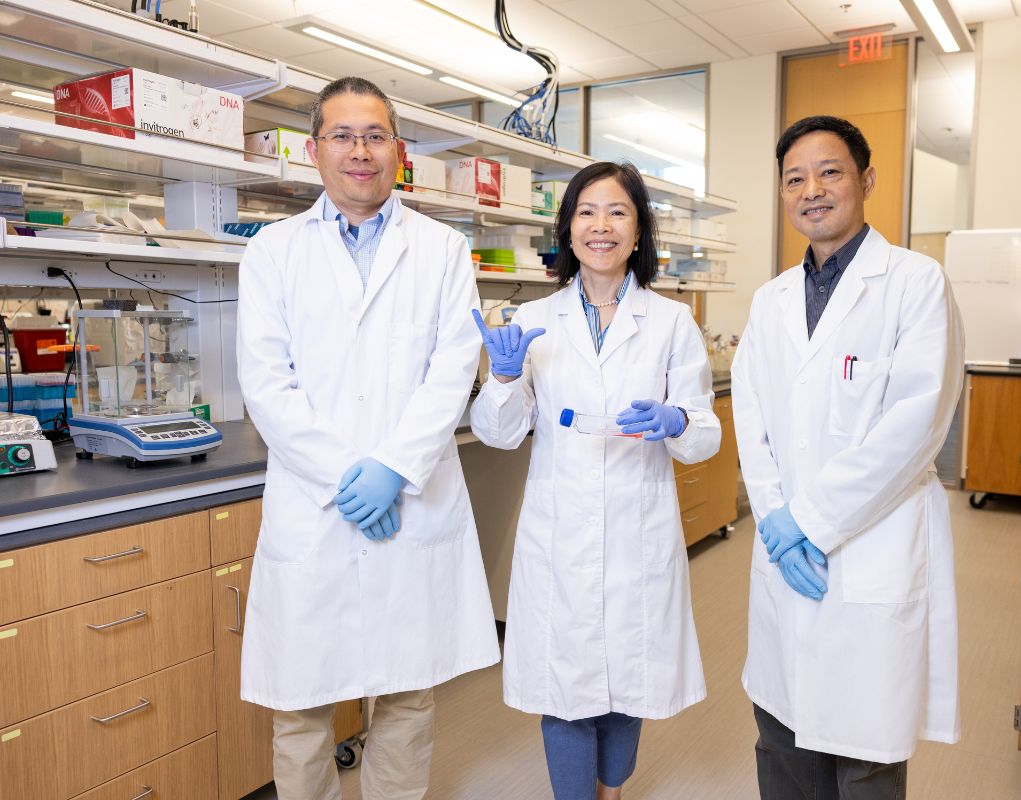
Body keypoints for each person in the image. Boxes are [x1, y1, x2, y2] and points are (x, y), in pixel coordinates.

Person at [235, 76, 499, 800]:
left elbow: (451, 372)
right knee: (300, 708)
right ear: (315, 150)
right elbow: (267, 383)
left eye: (375, 135)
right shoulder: (272, 253)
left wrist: (392, 469)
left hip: (408, 497)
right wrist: (350, 478)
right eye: (343, 136)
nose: (360, 151)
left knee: (407, 702)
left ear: (399, 151)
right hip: (314, 506)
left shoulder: (443, 250)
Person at [470, 161, 720, 800]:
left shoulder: (670, 324)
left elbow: (703, 437)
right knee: (564, 684)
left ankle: (612, 790)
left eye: (617, 213)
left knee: (627, 678)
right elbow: (499, 433)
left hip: (638, 529)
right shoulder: (535, 322)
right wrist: (500, 379)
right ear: (567, 229)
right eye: (586, 212)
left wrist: (675, 421)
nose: (600, 226)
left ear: (638, 233)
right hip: (560, 531)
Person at [732, 115, 965, 799]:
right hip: (785, 555)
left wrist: (808, 519)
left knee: (863, 756)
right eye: (794, 178)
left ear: (864, 180)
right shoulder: (769, 301)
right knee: (780, 737)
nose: (812, 190)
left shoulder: (916, 284)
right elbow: (752, 418)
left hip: (871, 546)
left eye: (829, 172)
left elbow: (916, 425)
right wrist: (776, 517)